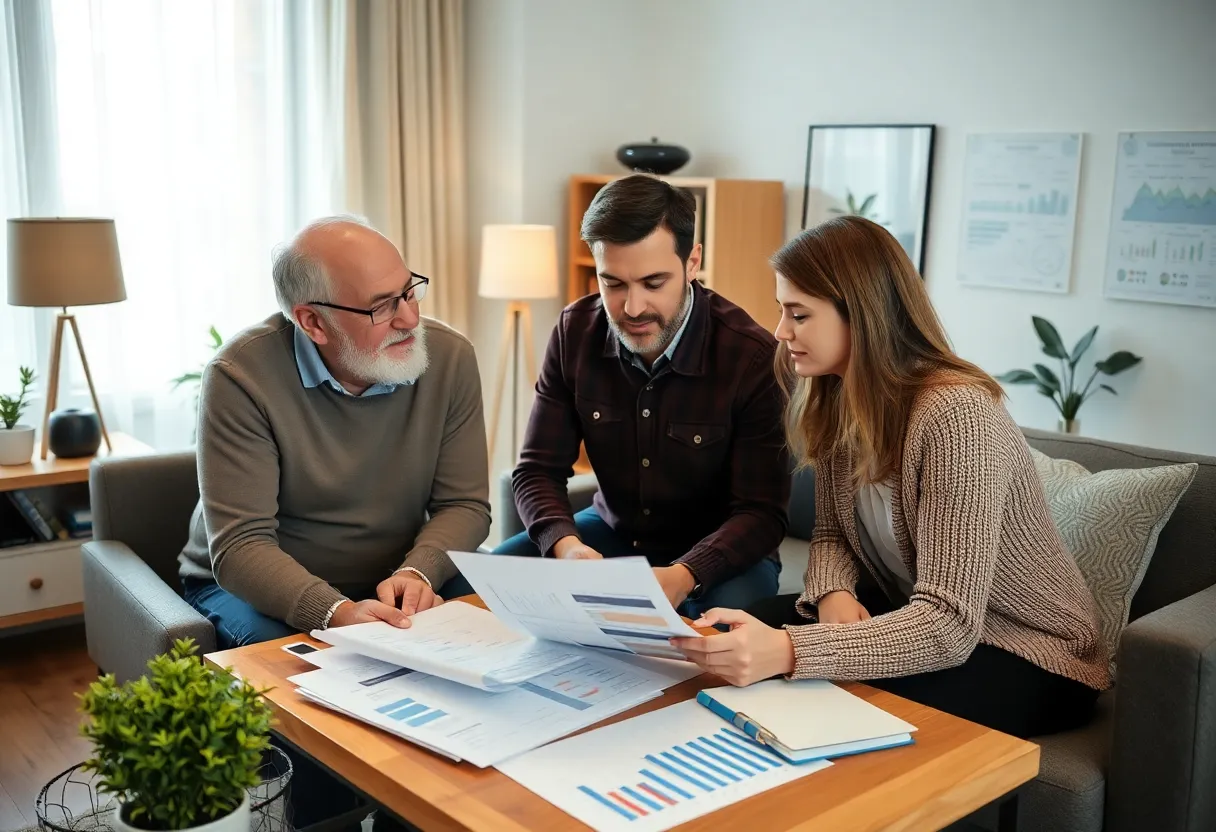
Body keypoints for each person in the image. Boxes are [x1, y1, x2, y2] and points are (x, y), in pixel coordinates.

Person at [671, 216, 1111, 739]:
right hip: (913, 612)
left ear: (861, 315)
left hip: (1025, 650)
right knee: (740, 624)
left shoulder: (958, 415)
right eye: (781, 311)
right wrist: (832, 592)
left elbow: (949, 625)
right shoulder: (836, 396)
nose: (781, 332)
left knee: (823, 690)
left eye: (799, 314)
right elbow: (833, 531)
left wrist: (792, 650)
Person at [483, 174, 791, 617]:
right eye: (613, 284)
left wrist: (683, 574)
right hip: (610, 532)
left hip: (724, 556)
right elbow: (536, 470)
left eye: (652, 283)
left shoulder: (754, 357)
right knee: (487, 587)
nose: (631, 308)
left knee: (713, 640)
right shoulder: (575, 331)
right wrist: (566, 548)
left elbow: (762, 515)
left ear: (692, 263)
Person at [179, 216, 491, 646]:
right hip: (259, 590)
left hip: (399, 577)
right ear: (312, 323)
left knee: (507, 633)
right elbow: (242, 548)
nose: (410, 318)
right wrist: (334, 612)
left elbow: (465, 505)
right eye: (382, 306)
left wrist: (419, 571)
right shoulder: (240, 376)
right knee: (284, 672)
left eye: (408, 291)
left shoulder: (450, 357)